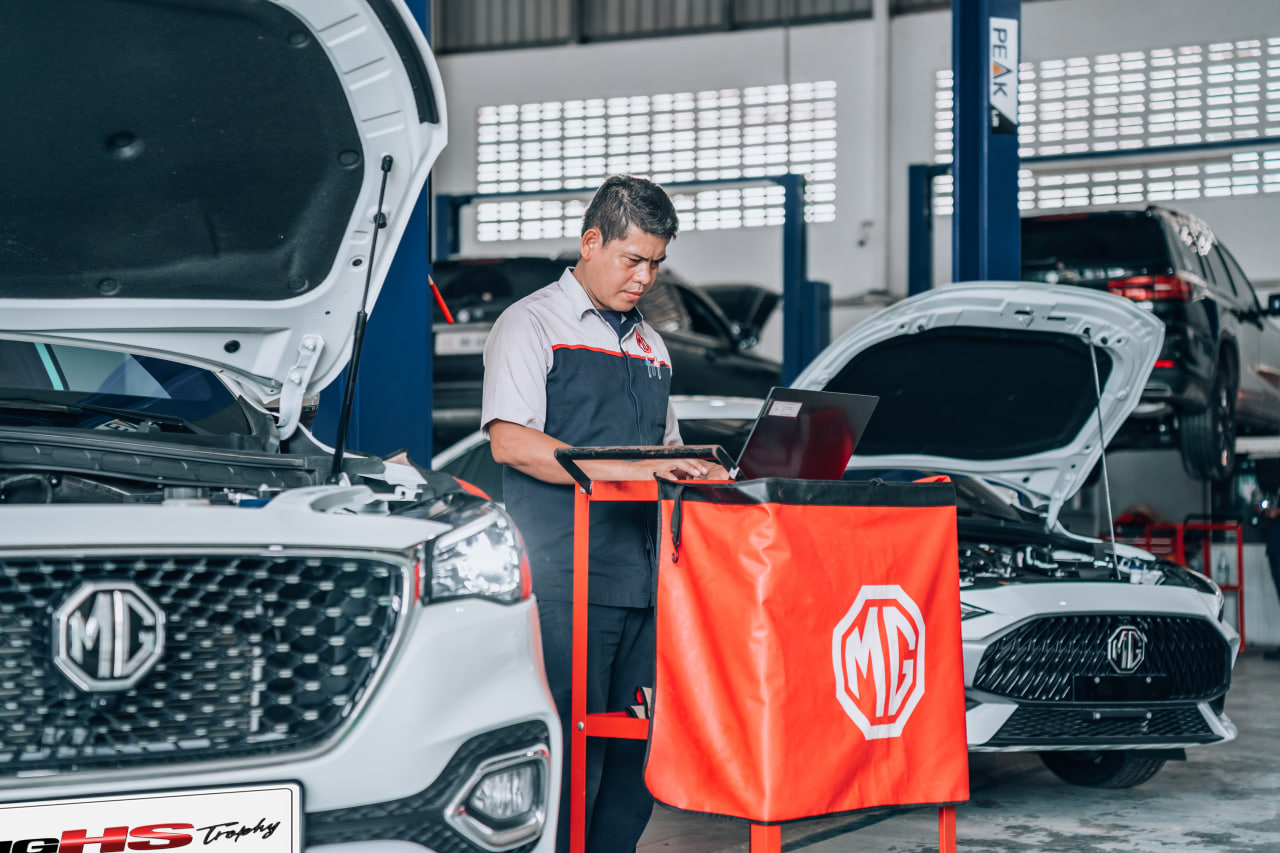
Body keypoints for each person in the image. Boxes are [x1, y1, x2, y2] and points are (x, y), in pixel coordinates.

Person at [481, 175, 724, 852]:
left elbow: (666, 451)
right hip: (565, 580)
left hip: (645, 581)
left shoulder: (652, 347)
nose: (645, 278)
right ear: (591, 242)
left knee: (640, 752)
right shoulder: (531, 324)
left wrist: (701, 470)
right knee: (563, 750)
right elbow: (512, 442)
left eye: (657, 264)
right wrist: (638, 470)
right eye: (633, 259)